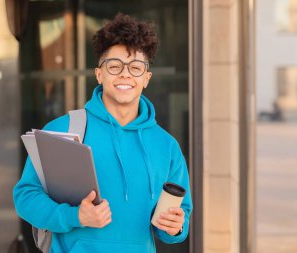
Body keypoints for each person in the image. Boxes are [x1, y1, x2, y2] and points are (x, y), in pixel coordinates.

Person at [13, 13, 193, 252]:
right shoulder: (62, 130)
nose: (125, 74)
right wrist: (75, 216)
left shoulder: (166, 146)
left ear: (146, 79)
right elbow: (25, 197)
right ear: (99, 74)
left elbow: (180, 219)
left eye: (136, 67)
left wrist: (175, 227)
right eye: (114, 66)